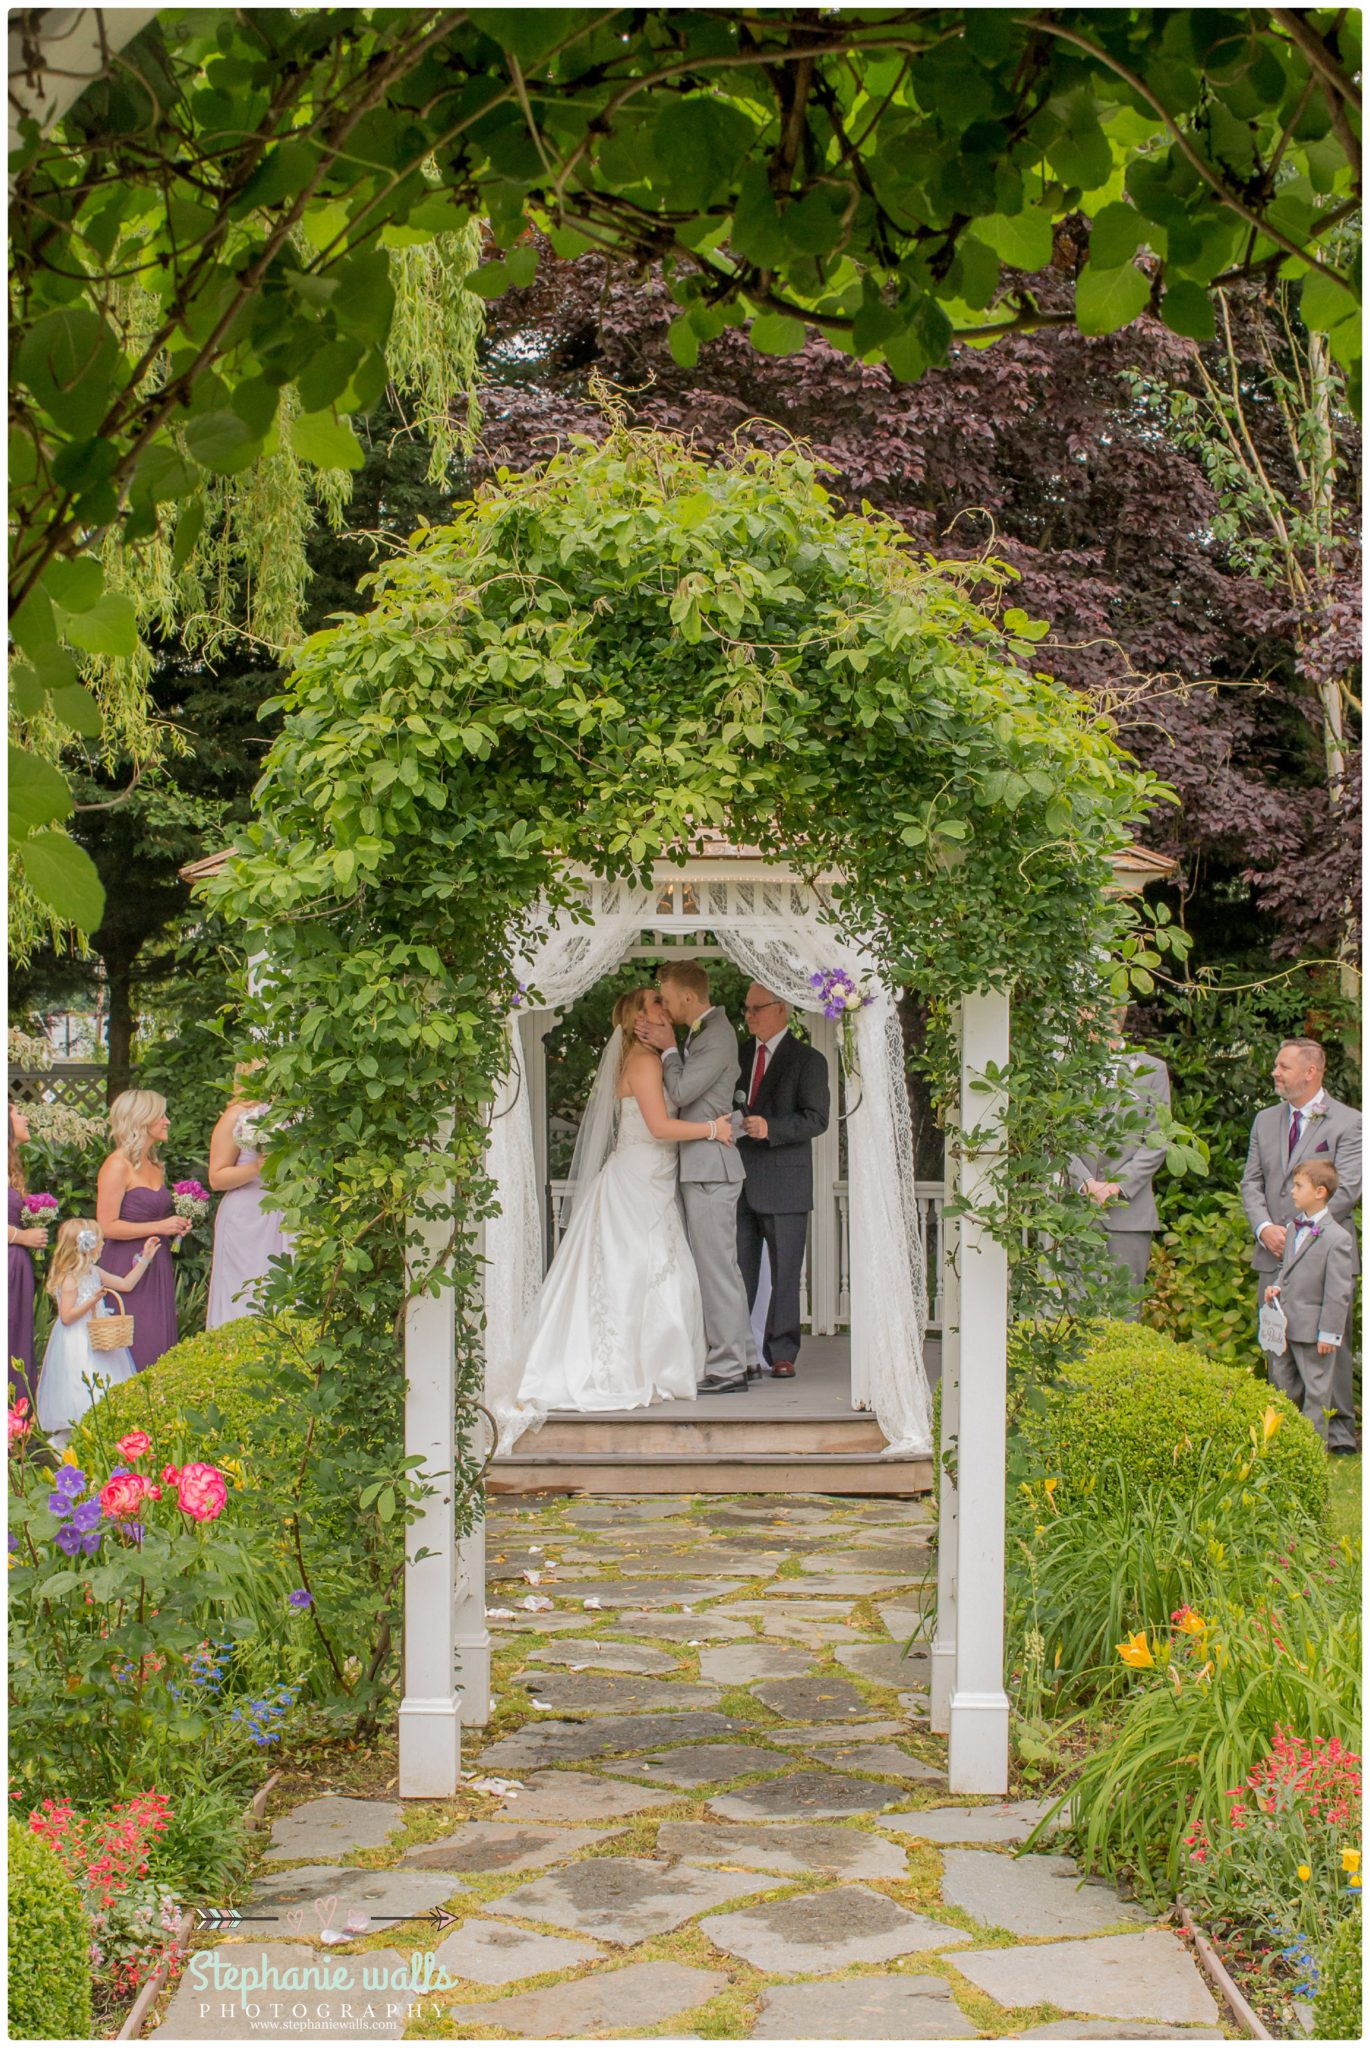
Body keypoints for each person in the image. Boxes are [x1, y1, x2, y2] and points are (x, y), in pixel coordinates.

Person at [514, 987, 730, 1415]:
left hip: (653, 1176)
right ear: (639, 1019)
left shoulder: (651, 1058)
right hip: (639, 1177)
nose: (664, 1008)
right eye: (656, 1002)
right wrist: (712, 1130)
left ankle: (657, 1361)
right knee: (638, 1270)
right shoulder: (644, 1062)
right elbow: (660, 1127)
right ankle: (639, 1365)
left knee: (657, 1269)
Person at [636, 960, 756, 1394]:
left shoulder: (717, 1035)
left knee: (714, 1270)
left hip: (710, 1167)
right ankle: (744, 1353)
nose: (664, 1008)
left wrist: (668, 1049)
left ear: (688, 996)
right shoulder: (706, 1032)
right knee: (723, 1266)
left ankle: (726, 1367)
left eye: (666, 999)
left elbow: (683, 1092)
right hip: (707, 1163)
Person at [1242, 1038, 1361, 1454]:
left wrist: (1292, 1233)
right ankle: (1281, 1433)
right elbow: (1251, 1182)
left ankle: (1338, 1437)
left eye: (1283, 1066)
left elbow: (1345, 1190)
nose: (1275, 1072)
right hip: (1270, 1250)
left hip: (1321, 1255)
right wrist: (1263, 1228)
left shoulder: (1350, 1123)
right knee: (1276, 1342)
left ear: (1311, 1072)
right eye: (1276, 1065)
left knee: (1330, 1347)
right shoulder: (1264, 1120)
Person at [735, 985, 831, 1379]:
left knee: (786, 1273)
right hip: (739, 1180)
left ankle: (782, 1352)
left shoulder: (808, 1060)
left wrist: (770, 1127)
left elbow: (816, 1119)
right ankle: (738, 1348)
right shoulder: (739, 1055)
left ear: (782, 1010)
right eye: (746, 1009)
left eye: (756, 1008)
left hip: (786, 1184)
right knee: (739, 1270)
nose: (749, 1016)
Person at [1067, 1014, 1172, 1318]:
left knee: (1125, 1310)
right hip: (1079, 1209)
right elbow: (1058, 1138)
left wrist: (1117, 1185)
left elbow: (1157, 1139)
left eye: (1087, 1019)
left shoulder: (1151, 1070)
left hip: (1130, 1211)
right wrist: (1085, 1183)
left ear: (1111, 1020)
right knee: (1076, 1307)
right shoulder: (1070, 1070)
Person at [36, 1219, 161, 1445]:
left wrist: (145, 1258)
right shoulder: (70, 1280)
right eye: (100, 1240)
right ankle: (68, 1443)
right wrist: (92, 1301)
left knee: (108, 1384)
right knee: (82, 1391)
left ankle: (99, 1440)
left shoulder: (94, 1272)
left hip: (100, 1337)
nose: (103, 1244)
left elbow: (125, 1284)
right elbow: (66, 1317)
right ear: (87, 1246)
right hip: (77, 1340)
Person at [96, 1090, 191, 1371]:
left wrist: (175, 1226)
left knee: (158, 1344)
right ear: (141, 1120)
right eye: (160, 1115)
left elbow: (153, 1217)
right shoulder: (116, 1165)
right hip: (126, 1267)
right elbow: (106, 1226)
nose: (167, 1121)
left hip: (156, 1265)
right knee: (135, 1345)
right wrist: (160, 1226)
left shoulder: (154, 1165)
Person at [1262, 1161, 1356, 1445]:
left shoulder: (1337, 1238)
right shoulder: (1292, 1228)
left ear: (1319, 1192)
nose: (1292, 1192)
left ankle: (1312, 1448)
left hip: (1315, 1331)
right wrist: (1276, 1287)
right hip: (1286, 1326)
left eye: (1298, 1186)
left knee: (1316, 1393)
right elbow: (1288, 1269)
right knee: (1282, 1387)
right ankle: (1282, 1445)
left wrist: (1329, 1332)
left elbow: (1338, 1291)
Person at [206, 1066, 292, 1328]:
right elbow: (216, 1178)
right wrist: (257, 1168)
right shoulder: (236, 1115)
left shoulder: (290, 1111)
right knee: (244, 1292)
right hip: (246, 1216)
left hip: (285, 1210)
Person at [8, 1105, 49, 1403]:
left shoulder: (12, 1163)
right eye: (17, 1112)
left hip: (16, 1268)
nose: (25, 1117)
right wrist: (21, 1236)